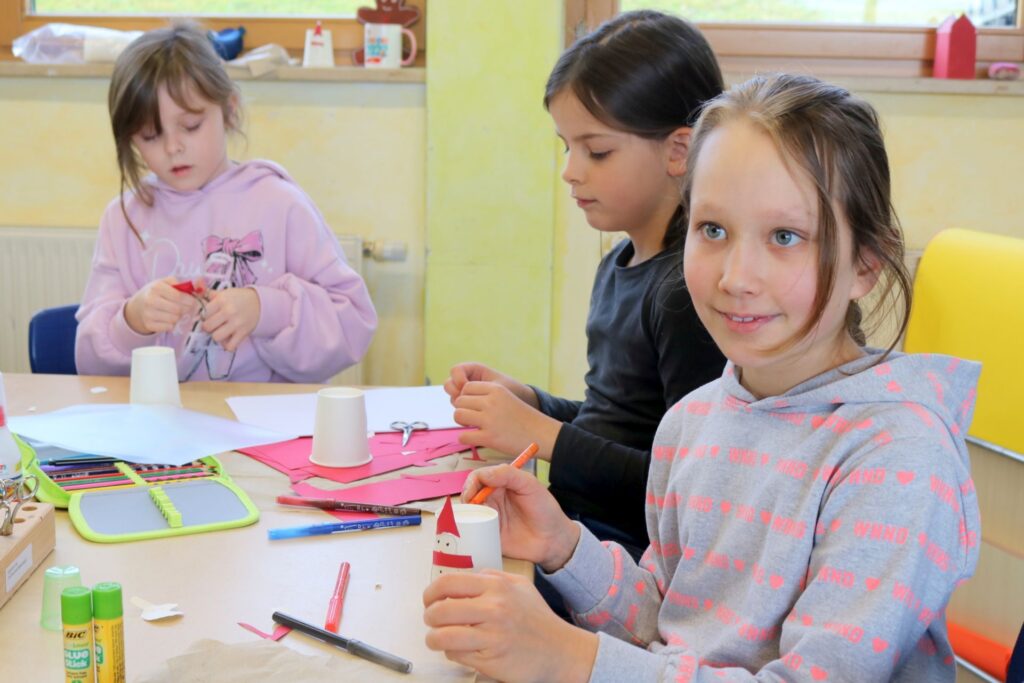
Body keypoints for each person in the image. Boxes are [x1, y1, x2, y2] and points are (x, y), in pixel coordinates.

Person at [424, 73, 981, 682]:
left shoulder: (897, 458)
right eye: (712, 230)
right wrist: (564, 547)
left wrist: (568, 658)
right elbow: (668, 623)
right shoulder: (694, 419)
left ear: (867, 264)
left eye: (786, 237)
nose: (736, 276)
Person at [443, 10, 726, 558]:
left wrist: (540, 433)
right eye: (565, 147)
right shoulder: (620, 261)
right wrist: (530, 402)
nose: (571, 170)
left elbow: (684, 486)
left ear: (679, 151)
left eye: (596, 151)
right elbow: (617, 421)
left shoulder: (687, 293)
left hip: (626, 556)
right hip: (576, 524)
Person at [75, 23, 376, 383]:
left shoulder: (279, 204)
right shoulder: (123, 219)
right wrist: (132, 320)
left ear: (228, 110)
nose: (173, 148)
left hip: (265, 430)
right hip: (163, 429)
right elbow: (89, 365)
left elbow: (353, 324)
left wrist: (267, 310)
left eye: (191, 125)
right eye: (151, 136)